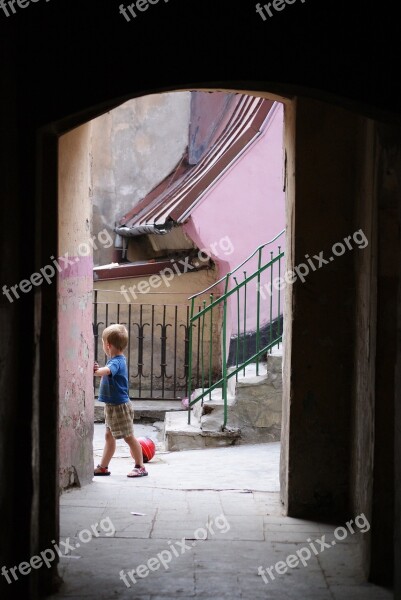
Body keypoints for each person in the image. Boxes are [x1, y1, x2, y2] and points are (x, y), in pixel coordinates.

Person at [93, 323, 148, 478]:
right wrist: (98, 370)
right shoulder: (114, 360)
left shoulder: (117, 361)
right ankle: (103, 467)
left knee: (128, 436)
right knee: (108, 437)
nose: (103, 346)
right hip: (111, 406)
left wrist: (96, 371)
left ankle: (140, 466)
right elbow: (106, 370)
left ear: (108, 345)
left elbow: (108, 371)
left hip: (120, 407)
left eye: (103, 343)